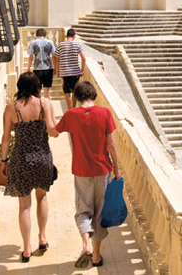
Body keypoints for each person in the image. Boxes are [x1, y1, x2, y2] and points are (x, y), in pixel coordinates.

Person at [56, 81, 121, 269]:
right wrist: (116, 170)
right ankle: (96, 256)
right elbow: (112, 145)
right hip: (103, 170)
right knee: (100, 212)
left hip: (82, 170)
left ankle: (85, 245)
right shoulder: (105, 113)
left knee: (83, 210)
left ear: (76, 96)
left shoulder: (70, 115)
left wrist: (48, 111)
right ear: (93, 95)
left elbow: (54, 131)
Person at [0, 72, 59, 263]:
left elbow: (6, 138)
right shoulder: (45, 104)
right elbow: (52, 130)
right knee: (42, 197)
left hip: (21, 159)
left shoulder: (11, 108)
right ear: (37, 87)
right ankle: (42, 238)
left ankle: (26, 248)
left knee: (24, 205)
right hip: (42, 157)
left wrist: (3, 160)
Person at [54, 28, 86, 110]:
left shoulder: (61, 45)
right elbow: (83, 58)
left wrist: (57, 70)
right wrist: (82, 70)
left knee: (67, 92)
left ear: (66, 36)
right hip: (75, 72)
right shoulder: (77, 44)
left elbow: (56, 58)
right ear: (74, 36)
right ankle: (74, 108)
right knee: (75, 90)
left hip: (65, 72)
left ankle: (70, 109)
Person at [27, 28, 57, 98]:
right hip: (48, 68)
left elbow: (31, 57)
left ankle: (39, 105)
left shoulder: (33, 43)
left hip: (37, 68)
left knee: (37, 89)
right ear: (45, 34)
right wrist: (55, 67)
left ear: (37, 34)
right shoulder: (50, 42)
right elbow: (54, 56)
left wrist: (28, 68)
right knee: (47, 90)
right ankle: (46, 105)